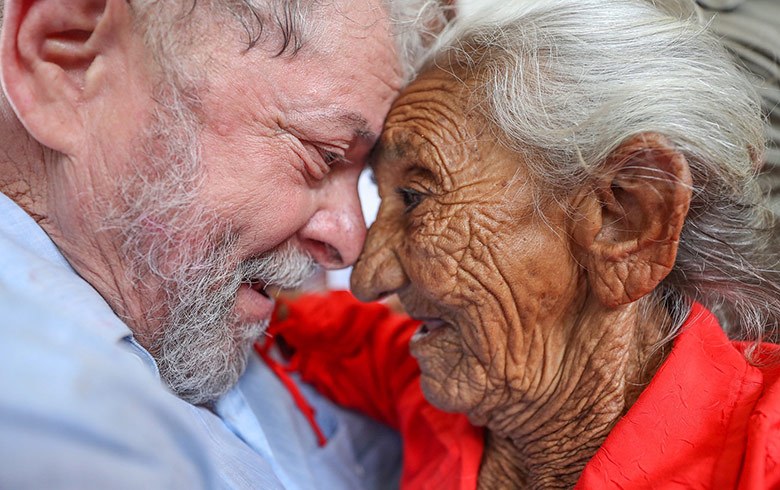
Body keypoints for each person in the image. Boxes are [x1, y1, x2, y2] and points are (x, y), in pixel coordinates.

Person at [263, 0, 780, 487]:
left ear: (625, 218)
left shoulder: (764, 453)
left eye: (416, 197)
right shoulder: (441, 381)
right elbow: (327, 333)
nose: (369, 277)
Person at [0, 0, 449, 488]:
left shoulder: (199, 315)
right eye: (320, 155)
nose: (351, 243)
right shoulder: (42, 414)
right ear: (67, 62)